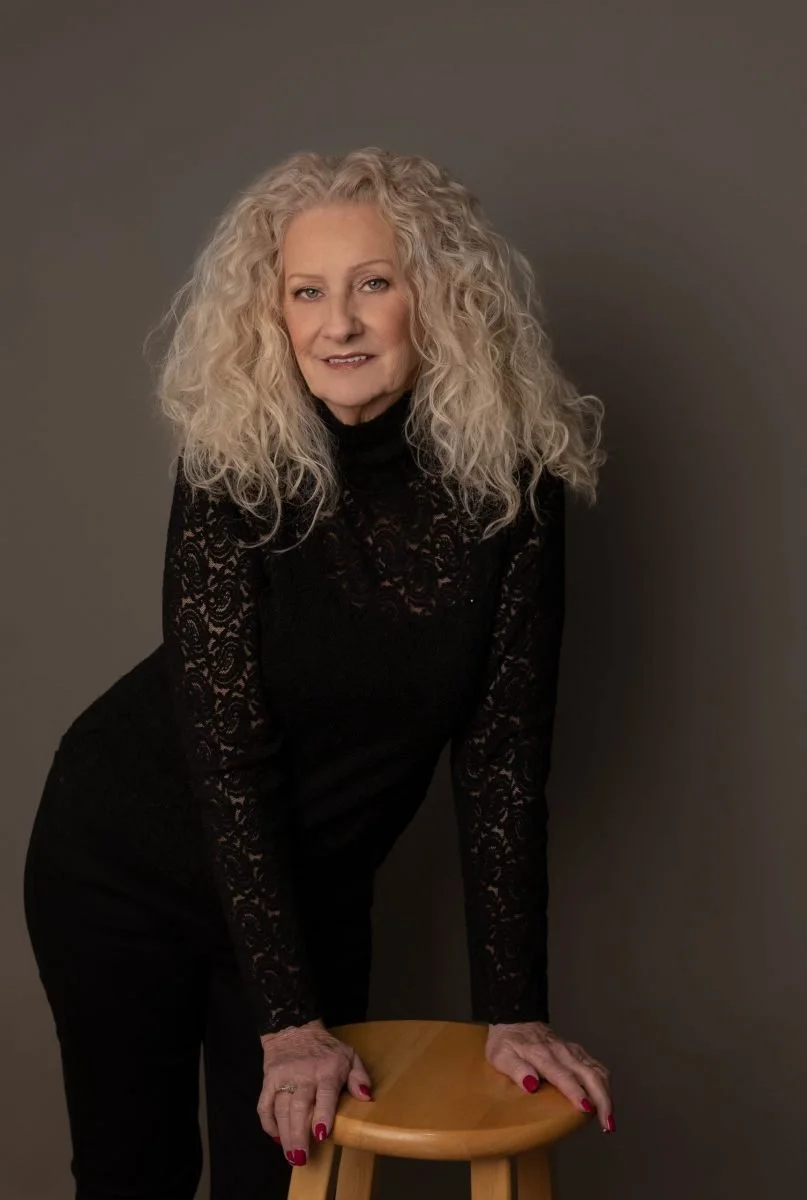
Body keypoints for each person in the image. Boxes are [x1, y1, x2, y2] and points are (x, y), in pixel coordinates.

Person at [24, 146, 612, 1200]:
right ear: (274, 315)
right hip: (123, 863)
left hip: (309, 893)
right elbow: (228, 749)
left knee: (287, 1183)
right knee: (132, 1175)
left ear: (436, 297)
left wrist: (512, 1007)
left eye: (372, 284)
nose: (337, 323)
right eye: (307, 291)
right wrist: (288, 1023)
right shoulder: (234, 467)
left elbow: (503, 759)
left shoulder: (513, 486)